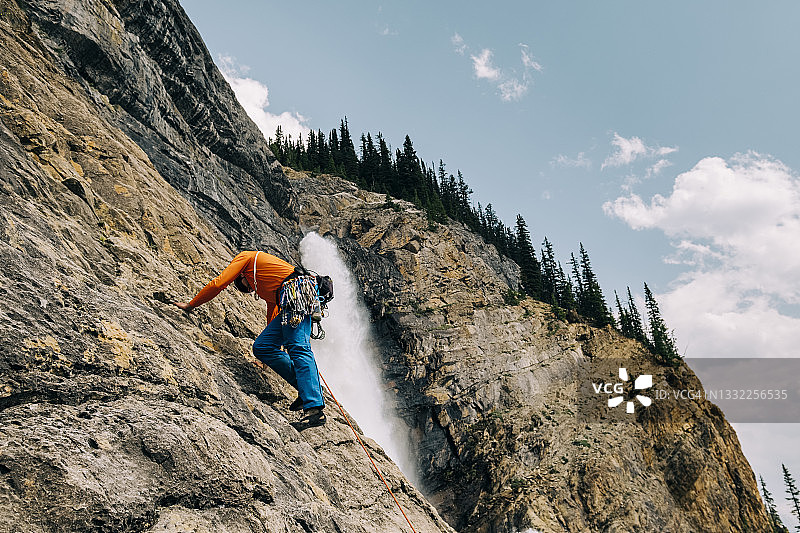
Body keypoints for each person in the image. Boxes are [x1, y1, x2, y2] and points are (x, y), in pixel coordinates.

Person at [174, 250, 327, 427]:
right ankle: (305, 388)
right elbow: (272, 311)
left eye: (246, 286)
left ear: (242, 275)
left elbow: (218, 284)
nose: (250, 289)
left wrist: (191, 305)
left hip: (298, 293)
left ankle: (314, 409)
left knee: (298, 347)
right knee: (263, 347)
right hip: (291, 298)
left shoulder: (246, 258)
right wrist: (270, 353)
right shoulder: (266, 282)